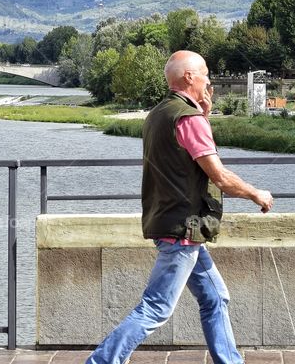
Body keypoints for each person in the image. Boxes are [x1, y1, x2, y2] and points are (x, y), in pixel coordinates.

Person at [86, 50, 274, 364]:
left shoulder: (159, 114)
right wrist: (258, 194)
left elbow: (180, 162)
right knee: (155, 308)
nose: (209, 80)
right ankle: (101, 362)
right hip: (183, 230)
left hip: (173, 224)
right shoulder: (189, 119)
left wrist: (205, 115)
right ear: (189, 77)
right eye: (205, 73)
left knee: (215, 297)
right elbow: (220, 177)